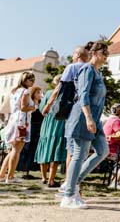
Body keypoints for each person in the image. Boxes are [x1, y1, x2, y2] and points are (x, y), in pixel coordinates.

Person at [61, 41, 110, 209]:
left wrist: (95, 119)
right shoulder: (87, 70)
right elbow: (83, 95)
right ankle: (68, 196)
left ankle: (72, 184)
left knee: (103, 151)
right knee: (79, 154)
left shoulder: (98, 73)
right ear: (95, 53)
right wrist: (88, 118)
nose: (107, 55)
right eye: (104, 51)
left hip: (95, 120)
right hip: (83, 117)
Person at [44, 44, 92, 194]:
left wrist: (49, 105)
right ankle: (76, 184)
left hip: (73, 111)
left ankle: (68, 183)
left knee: (72, 150)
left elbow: (60, 89)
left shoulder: (72, 67)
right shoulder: (91, 69)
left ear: (77, 55)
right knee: (82, 150)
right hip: (87, 110)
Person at [0, 72, 37, 183]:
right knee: (17, 150)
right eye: (31, 80)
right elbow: (23, 107)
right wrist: (34, 106)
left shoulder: (14, 91)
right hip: (21, 122)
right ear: (25, 80)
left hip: (13, 120)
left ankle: (2, 174)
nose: (32, 82)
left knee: (12, 150)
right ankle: (10, 177)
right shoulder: (25, 92)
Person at [35, 75, 65, 187]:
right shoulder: (65, 93)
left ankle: (44, 177)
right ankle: (51, 180)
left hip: (47, 122)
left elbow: (41, 108)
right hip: (59, 122)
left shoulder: (48, 93)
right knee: (55, 149)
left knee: (45, 148)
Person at [19, 85, 43, 179]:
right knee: (27, 149)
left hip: (39, 128)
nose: (39, 94)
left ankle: (30, 169)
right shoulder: (31, 102)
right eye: (38, 92)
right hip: (32, 127)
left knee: (34, 149)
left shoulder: (41, 102)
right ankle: (25, 171)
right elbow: (28, 113)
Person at [103, 103, 120, 188]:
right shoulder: (116, 121)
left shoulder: (109, 120)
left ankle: (114, 180)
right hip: (113, 149)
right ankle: (115, 182)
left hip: (107, 148)